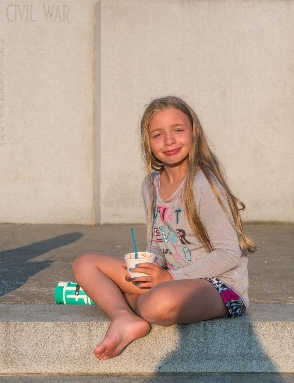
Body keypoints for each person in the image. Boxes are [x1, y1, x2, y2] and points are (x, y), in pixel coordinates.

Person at [72, 96, 256, 360]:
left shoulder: (204, 185)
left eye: (178, 130)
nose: (169, 141)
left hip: (217, 286)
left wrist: (169, 278)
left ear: (195, 132)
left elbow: (229, 254)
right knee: (85, 263)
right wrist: (149, 264)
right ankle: (123, 316)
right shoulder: (151, 185)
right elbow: (158, 242)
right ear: (148, 142)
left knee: (159, 303)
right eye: (158, 134)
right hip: (169, 279)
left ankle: (120, 298)